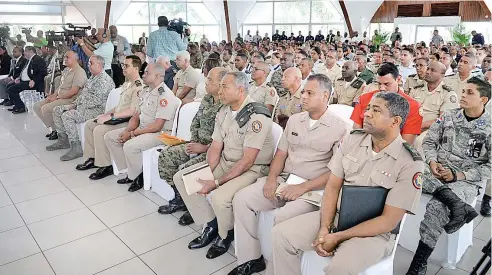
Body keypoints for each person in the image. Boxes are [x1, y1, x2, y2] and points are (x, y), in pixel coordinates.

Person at [271, 92, 424, 275]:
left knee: (341, 268)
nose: (366, 114)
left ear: (395, 121)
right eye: (367, 109)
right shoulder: (353, 139)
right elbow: (332, 187)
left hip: (373, 234)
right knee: (280, 235)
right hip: (337, 216)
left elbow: (388, 221)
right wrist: (324, 228)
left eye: (376, 110)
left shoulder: (410, 162)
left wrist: (336, 237)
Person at [231, 74, 348, 275]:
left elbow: (336, 172)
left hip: (312, 189)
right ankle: (251, 259)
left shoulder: (340, 128)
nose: (303, 96)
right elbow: (281, 153)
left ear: (325, 95)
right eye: (303, 91)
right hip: (284, 180)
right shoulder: (295, 120)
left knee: (283, 217)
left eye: (310, 93)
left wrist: (303, 187)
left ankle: (277, 270)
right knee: (242, 199)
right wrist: (271, 179)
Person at [171, 71, 274, 259]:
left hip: (252, 169)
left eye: (225, 87)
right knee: (183, 179)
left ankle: (225, 235)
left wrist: (216, 182)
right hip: (227, 162)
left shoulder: (256, 116)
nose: (220, 91)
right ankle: (211, 224)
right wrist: (207, 172)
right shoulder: (224, 110)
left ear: (240, 90)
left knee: (219, 197)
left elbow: (248, 160)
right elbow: (216, 146)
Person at [406, 77, 491, 275]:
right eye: (463, 91)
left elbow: (490, 166)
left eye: (470, 93)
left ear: (483, 99)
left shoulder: (489, 127)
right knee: (410, 173)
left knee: (437, 206)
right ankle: (458, 206)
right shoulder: (449, 116)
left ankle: (419, 263)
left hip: (466, 180)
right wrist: (433, 162)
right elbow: (429, 143)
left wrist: (459, 175)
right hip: (436, 171)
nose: (463, 95)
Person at [156, 67, 226, 224]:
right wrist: (194, 142)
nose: (205, 82)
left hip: (213, 151)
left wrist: (203, 148)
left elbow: (226, 141)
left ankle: (193, 208)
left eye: (210, 80)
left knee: (184, 171)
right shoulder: (208, 99)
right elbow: (196, 122)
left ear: (222, 84)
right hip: (197, 144)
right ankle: (180, 198)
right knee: (166, 156)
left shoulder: (226, 105)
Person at [104, 63, 180, 192]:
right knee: (110, 137)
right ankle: (127, 169)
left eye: (146, 73)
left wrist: (133, 134)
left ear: (157, 76)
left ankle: (139, 177)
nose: (143, 75)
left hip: (161, 134)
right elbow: (135, 116)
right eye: (144, 72)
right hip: (144, 128)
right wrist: (127, 130)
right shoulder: (146, 91)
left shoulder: (165, 96)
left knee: (130, 145)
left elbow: (157, 126)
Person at [75, 55, 144, 179]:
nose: (123, 68)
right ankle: (92, 158)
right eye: (123, 65)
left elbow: (132, 111)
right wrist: (106, 114)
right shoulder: (127, 83)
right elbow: (120, 106)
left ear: (136, 68)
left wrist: (111, 116)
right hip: (118, 117)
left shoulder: (139, 86)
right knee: (90, 124)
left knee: (99, 130)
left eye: (126, 66)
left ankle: (106, 165)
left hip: (128, 121)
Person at [46, 55, 115, 161]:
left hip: (96, 110)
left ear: (99, 65)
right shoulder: (93, 77)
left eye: (91, 63)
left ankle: (76, 147)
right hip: (84, 107)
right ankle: (63, 140)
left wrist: (77, 108)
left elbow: (96, 101)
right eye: (88, 63)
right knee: (57, 110)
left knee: (67, 115)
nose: (88, 65)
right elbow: (83, 95)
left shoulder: (104, 80)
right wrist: (73, 104)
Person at [351, 63, 422, 145]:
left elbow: (406, 143)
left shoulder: (413, 106)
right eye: (379, 84)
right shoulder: (365, 98)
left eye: (387, 84)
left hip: (394, 151)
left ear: (398, 80)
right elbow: (357, 131)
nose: (382, 88)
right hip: (364, 146)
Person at [33, 51, 88, 140]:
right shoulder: (66, 70)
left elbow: (73, 91)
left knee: (45, 109)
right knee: (36, 106)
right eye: (64, 57)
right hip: (60, 97)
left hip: (70, 100)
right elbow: (60, 86)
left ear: (75, 59)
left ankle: (59, 131)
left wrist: (57, 98)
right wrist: (53, 96)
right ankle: (54, 130)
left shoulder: (79, 72)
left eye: (68, 57)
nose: (65, 59)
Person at [409, 61, 459, 157]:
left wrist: (421, 125)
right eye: (428, 69)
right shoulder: (416, 89)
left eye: (433, 70)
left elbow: (444, 119)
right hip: (412, 125)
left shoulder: (448, 94)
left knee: (420, 142)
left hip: (433, 129)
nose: (427, 72)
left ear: (442, 75)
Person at [6, 46, 47, 114]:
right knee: (9, 86)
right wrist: (19, 77)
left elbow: (42, 72)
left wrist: (34, 80)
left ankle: (21, 107)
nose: (24, 53)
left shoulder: (37, 59)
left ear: (31, 51)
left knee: (12, 89)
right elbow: (24, 71)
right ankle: (17, 105)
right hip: (25, 81)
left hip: (33, 83)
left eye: (26, 51)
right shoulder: (29, 60)